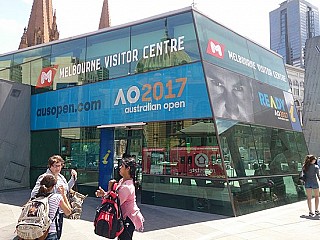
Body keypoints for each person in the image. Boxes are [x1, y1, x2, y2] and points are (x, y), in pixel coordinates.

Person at [96, 156, 144, 240]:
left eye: (122, 166)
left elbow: (115, 203)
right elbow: (114, 197)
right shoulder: (122, 180)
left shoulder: (127, 187)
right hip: (123, 217)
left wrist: (109, 189)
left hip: (128, 219)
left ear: (128, 168)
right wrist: (104, 194)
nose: (119, 167)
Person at [31, 155, 77, 239]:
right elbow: (34, 194)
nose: (58, 168)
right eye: (56, 166)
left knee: (57, 233)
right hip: (47, 211)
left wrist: (73, 178)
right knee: (47, 234)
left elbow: (66, 188)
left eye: (60, 165)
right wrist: (51, 195)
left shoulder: (61, 177)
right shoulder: (44, 177)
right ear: (50, 166)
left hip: (59, 211)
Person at [35, 174, 72, 240]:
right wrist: (63, 194)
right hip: (50, 232)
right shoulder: (56, 197)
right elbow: (68, 212)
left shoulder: (35, 197)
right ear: (53, 187)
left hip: (36, 231)